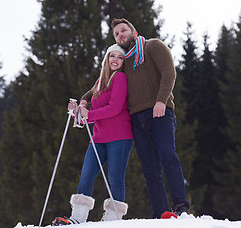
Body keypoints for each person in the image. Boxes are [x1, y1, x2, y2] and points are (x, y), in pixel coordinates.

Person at [80, 18, 190, 219]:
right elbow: (102, 84)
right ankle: (161, 213)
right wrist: (84, 100)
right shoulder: (123, 60)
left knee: (167, 154)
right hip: (136, 120)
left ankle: (180, 206)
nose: (120, 35)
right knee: (149, 167)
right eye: (116, 34)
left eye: (123, 30)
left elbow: (169, 72)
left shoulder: (152, 46)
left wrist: (161, 101)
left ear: (134, 31)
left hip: (160, 112)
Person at [52, 44, 133, 226]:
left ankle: (113, 219)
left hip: (119, 136)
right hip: (98, 137)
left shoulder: (119, 78)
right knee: (86, 175)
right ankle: (78, 217)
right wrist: (78, 114)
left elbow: (115, 108)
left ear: (123, 62)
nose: (115, 60)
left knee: (115, 178)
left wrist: (89, 114)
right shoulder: (99, 83)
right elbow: (94, 113)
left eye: (120, 57)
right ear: (106, 58)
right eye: (112, 56)